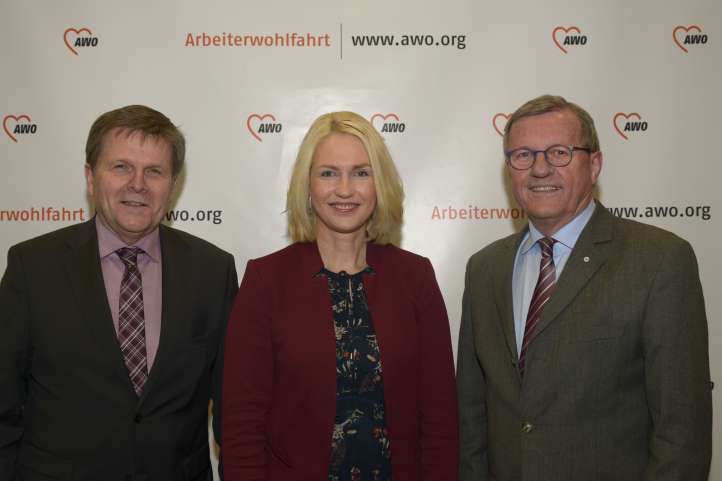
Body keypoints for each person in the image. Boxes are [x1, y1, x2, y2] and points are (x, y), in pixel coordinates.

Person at [456, 94, 712, 481]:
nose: (540, 169)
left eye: (559, 152)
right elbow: (472, 419)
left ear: (594, 165)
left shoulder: (659, 260)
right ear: (509, 168)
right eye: (523, 155)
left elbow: (682, 431)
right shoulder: (484, 269)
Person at [0, 105, 238, 481]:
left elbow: (233, 410)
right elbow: (4, 404)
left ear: (173, 186)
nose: (138, 184)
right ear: (91, 178)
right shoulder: (33, 267)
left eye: (154, 171)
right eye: (121, 167)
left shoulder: (213, 271)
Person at [222, 111, 458, 481]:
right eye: (328, 173)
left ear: (379, 185)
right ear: (308, 186)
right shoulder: (265, 280)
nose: (344, 189)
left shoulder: (416, 277)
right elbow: (242, 426)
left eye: (361, 173)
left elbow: (440, 418)